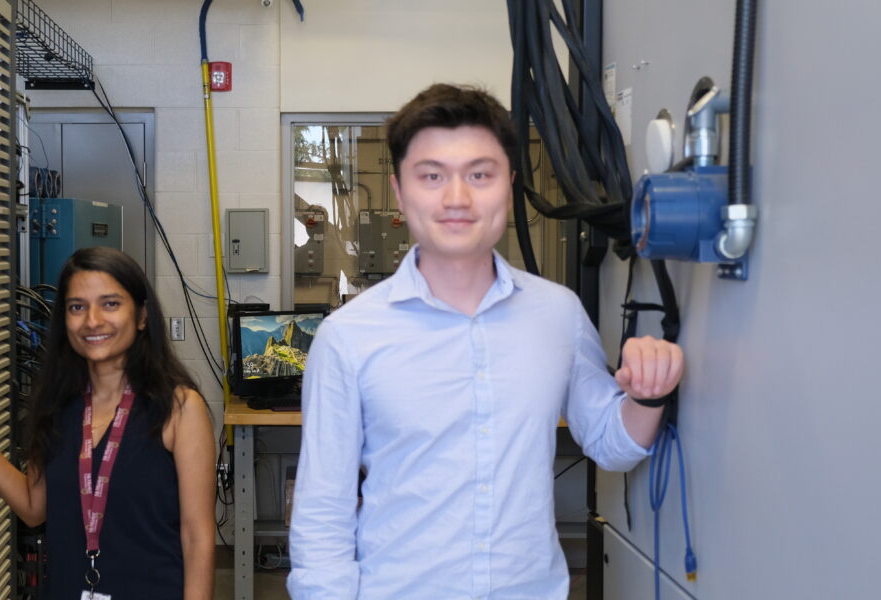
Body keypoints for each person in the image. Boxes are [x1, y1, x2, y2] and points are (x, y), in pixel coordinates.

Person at [287, 84, 684, 599]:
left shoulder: (557, 313)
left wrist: (648, 392)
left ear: (510, 184)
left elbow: (610, 443)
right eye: (432, 176)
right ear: (401, 192)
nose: (457, 197)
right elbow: (322, 516)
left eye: (480, 174)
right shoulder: (348, 338)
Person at [0, 247, 216, 599]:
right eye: (77, 307)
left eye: (111, 304)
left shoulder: (179, 409)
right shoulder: (56, 406)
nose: (92, 320)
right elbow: (33, 507)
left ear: (142, 316)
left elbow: (197, 539)